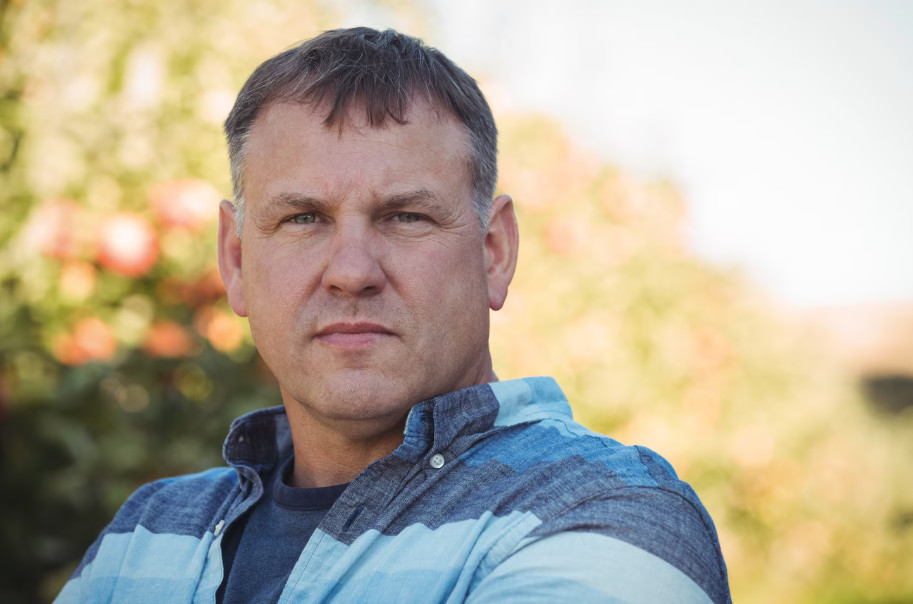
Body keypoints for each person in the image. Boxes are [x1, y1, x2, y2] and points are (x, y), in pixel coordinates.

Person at [56, 27, 731, 603]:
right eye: (302, 218)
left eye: (405, 217)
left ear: (494, 252)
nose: (351, 272)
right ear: (235, 260)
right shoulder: (145, 534)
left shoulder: (599, 512)